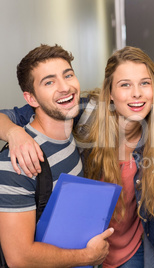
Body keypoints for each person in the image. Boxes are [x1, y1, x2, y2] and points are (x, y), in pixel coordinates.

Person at [0, 46, 154, 268]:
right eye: (125, 84)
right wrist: (13, 132)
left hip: (133, 254)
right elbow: (19, 256)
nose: (136, 93)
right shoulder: (86, 115)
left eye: (145, 83)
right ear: (109, 93)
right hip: (84, 256)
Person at [0, 44, 113, 267]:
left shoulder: (75, 118)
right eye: (49, 82)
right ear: (31, 99)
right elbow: (19, 258)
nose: (65, 87)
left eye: (68, 75)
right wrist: (88, 256)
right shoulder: (18, 161)